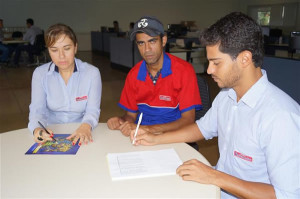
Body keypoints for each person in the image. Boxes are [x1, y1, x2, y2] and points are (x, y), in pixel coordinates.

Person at [131, 12, 300, 198]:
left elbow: (287, 195)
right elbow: (201, 129)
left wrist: (214, 176)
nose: (209, 70)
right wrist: (156, 138)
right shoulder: (227, 95)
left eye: (216, 63)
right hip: (219, 186)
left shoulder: (281, 117)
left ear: (244, 59)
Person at [107, 16, 202, 139]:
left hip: (173, 137)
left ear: (163, 41)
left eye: (152, 41)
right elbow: (131, 116)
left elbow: (188, 120)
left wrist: (148, 129)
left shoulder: (184, 71)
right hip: (140, 136)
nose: (147, 49)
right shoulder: (133, 75)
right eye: (141, 43)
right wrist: (121, 120)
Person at [28, 23, 102, 146]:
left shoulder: (92, 73)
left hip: (82, 129)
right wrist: (38, 129)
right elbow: (37, 110)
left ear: (75, 48)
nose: (61, 56)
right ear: (48, 51)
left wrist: (86, 125)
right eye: (54, 50)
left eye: (67, 48)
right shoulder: (40, 74)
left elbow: (92, 110)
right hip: (51, 131)